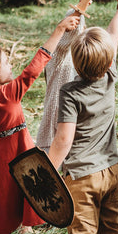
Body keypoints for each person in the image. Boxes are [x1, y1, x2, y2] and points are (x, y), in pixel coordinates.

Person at [0, 14, 80, 234]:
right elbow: (35, 67)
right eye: (6, 63)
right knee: (12, 202)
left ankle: (19, 225)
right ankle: (22, 224)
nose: (11, 64)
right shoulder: (7, 95)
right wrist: (59, 29)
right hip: (14, 159)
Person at [47, 0, 118, 234]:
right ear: (108, 62)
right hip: (113, 170)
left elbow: (63, 140)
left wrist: (48, 173)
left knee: (82, 233)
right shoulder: (109, 75)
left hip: (82, 177)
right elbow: (114, 33)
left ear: (74, 59)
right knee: (111, 229)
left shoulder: (70, 92)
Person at [36, 8, 86, 153]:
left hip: (75, 128)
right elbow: (66, 42)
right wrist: (78, 14)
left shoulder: (84, 58)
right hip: (53, 128)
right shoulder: (59, 56)